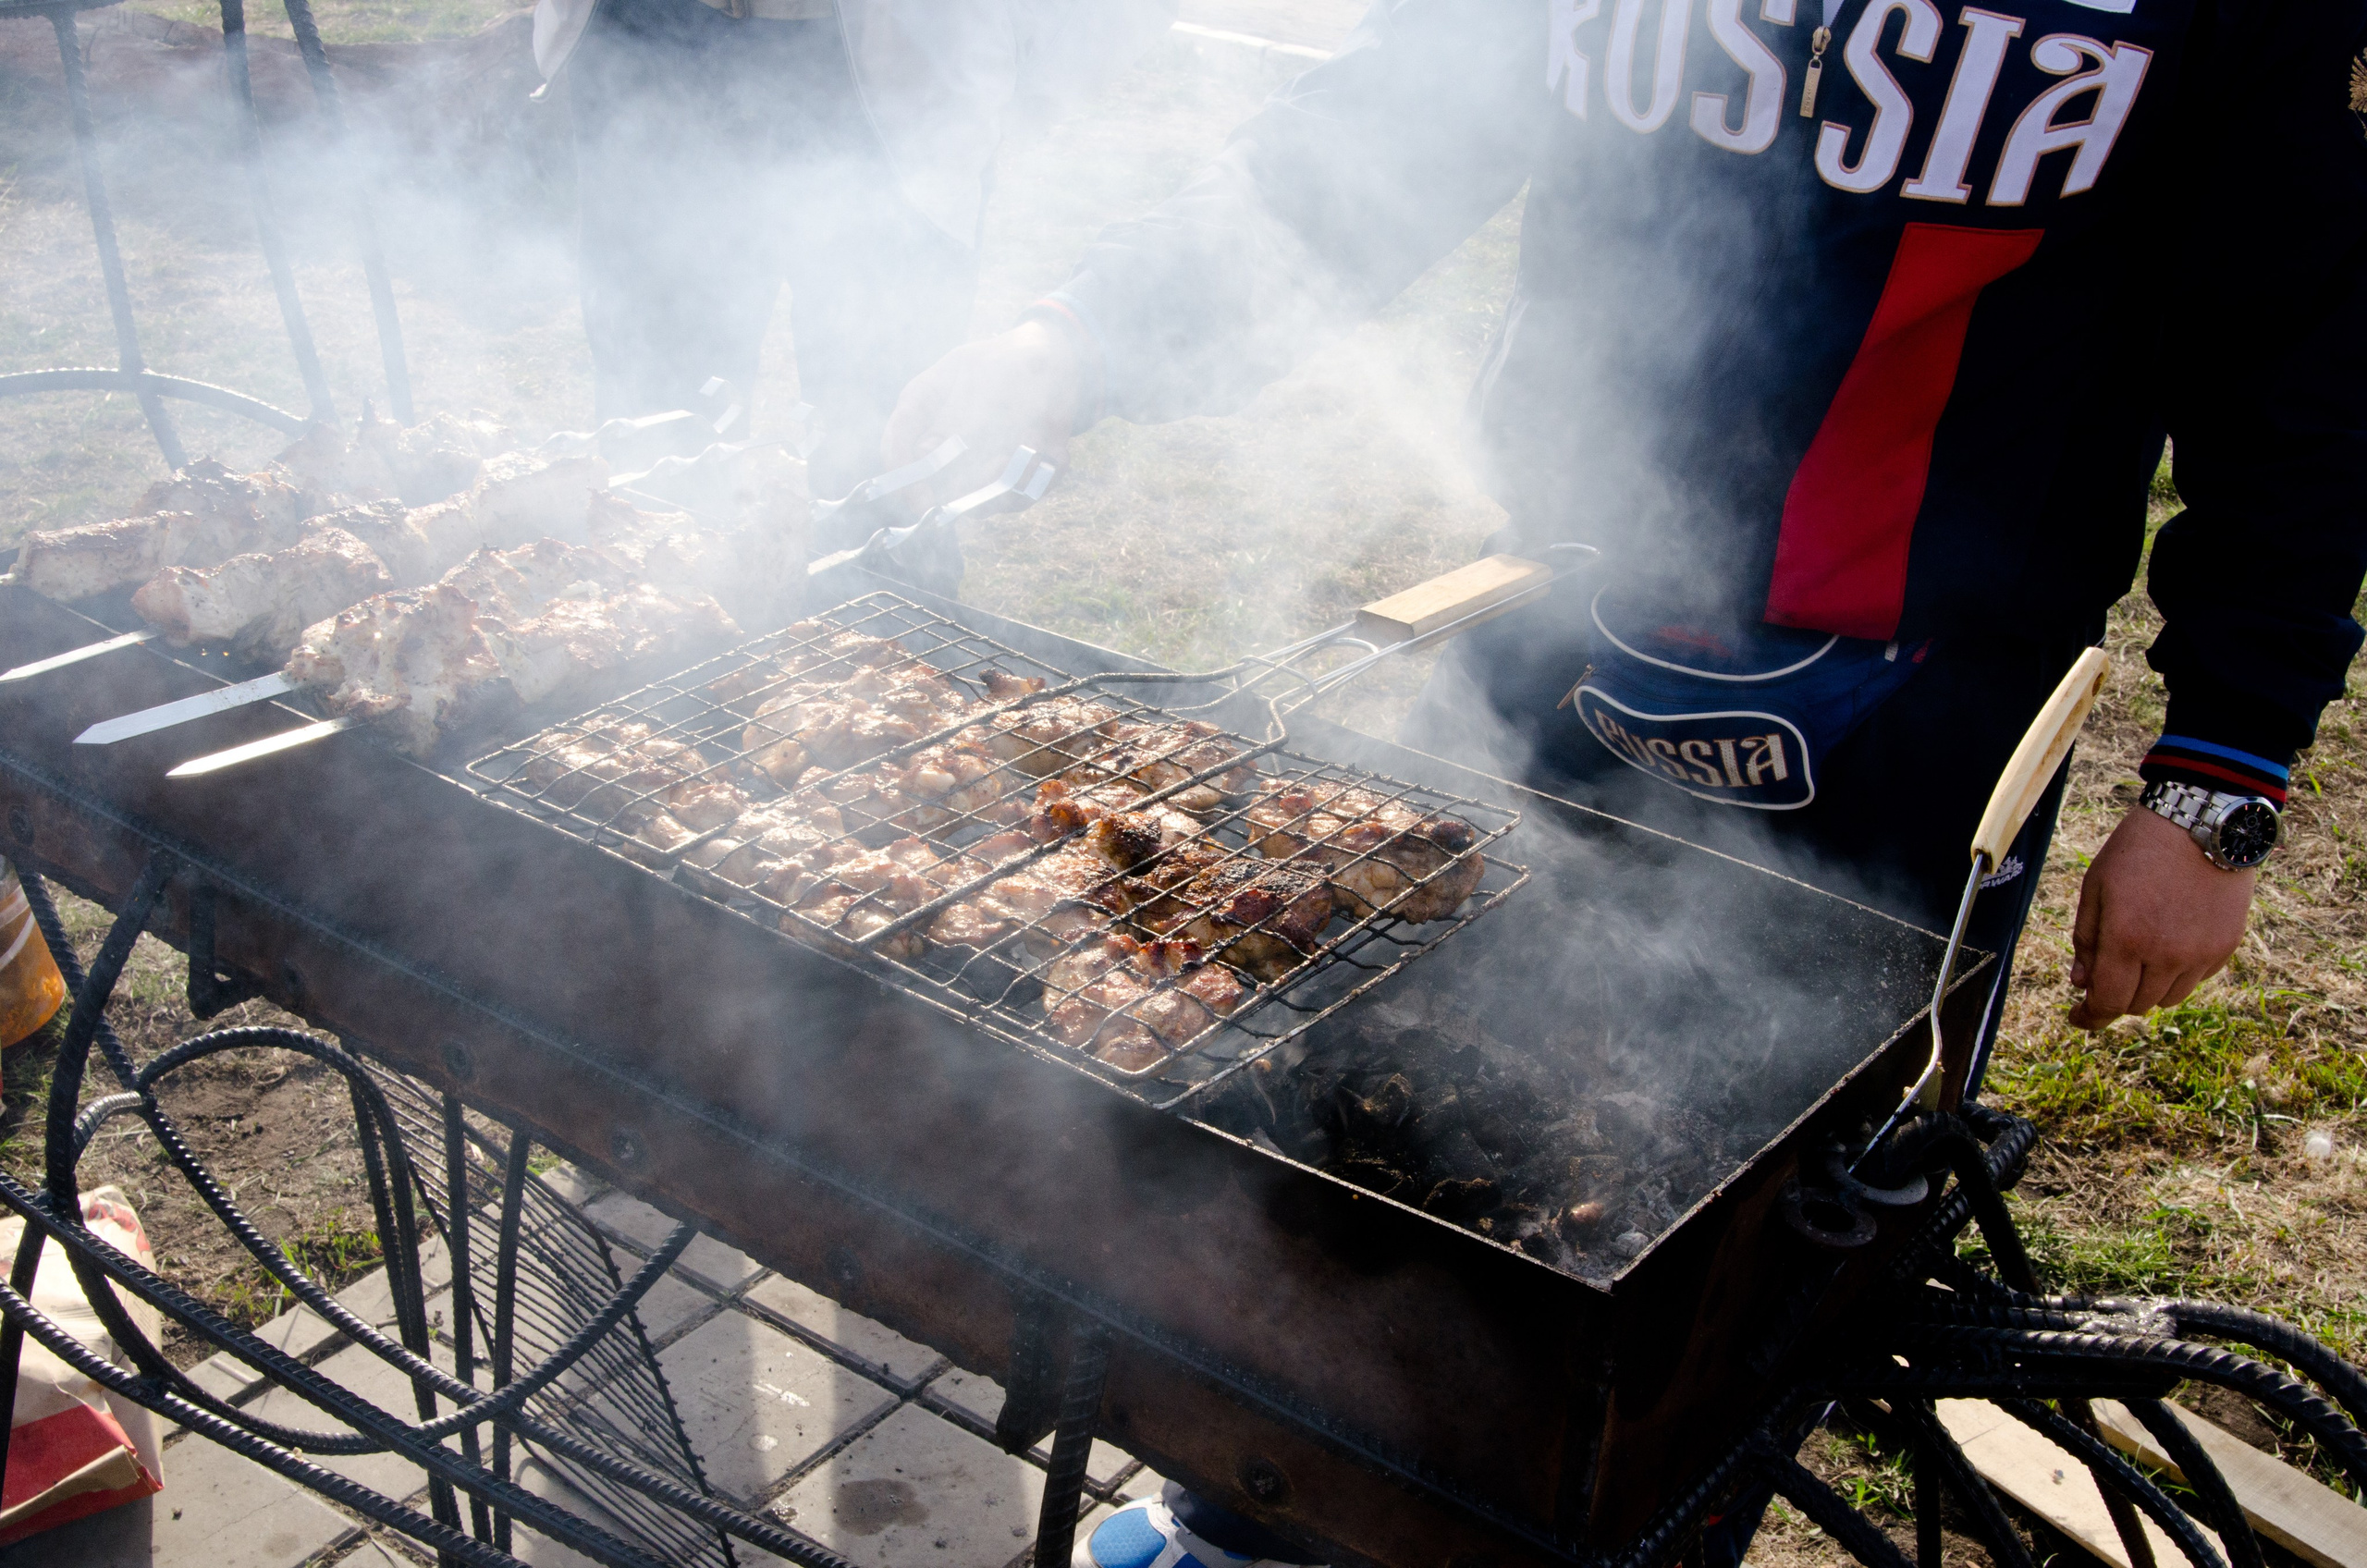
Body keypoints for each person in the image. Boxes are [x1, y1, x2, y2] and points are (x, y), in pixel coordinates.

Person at [880, 3, 2367, 1563]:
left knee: (1728, 1263)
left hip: (1918, 719)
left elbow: (2308, 365)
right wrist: (1084, 331)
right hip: (1554, 611)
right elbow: (1385, 134)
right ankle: (1259, 1517)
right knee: (1342, 1098)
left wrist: (2220, 775)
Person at [526, 0, 1174, 498]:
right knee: (654, 457)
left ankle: (887, 660)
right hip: (649, 37)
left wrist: (1016, 71)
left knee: (889, 461)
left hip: (898, 52)